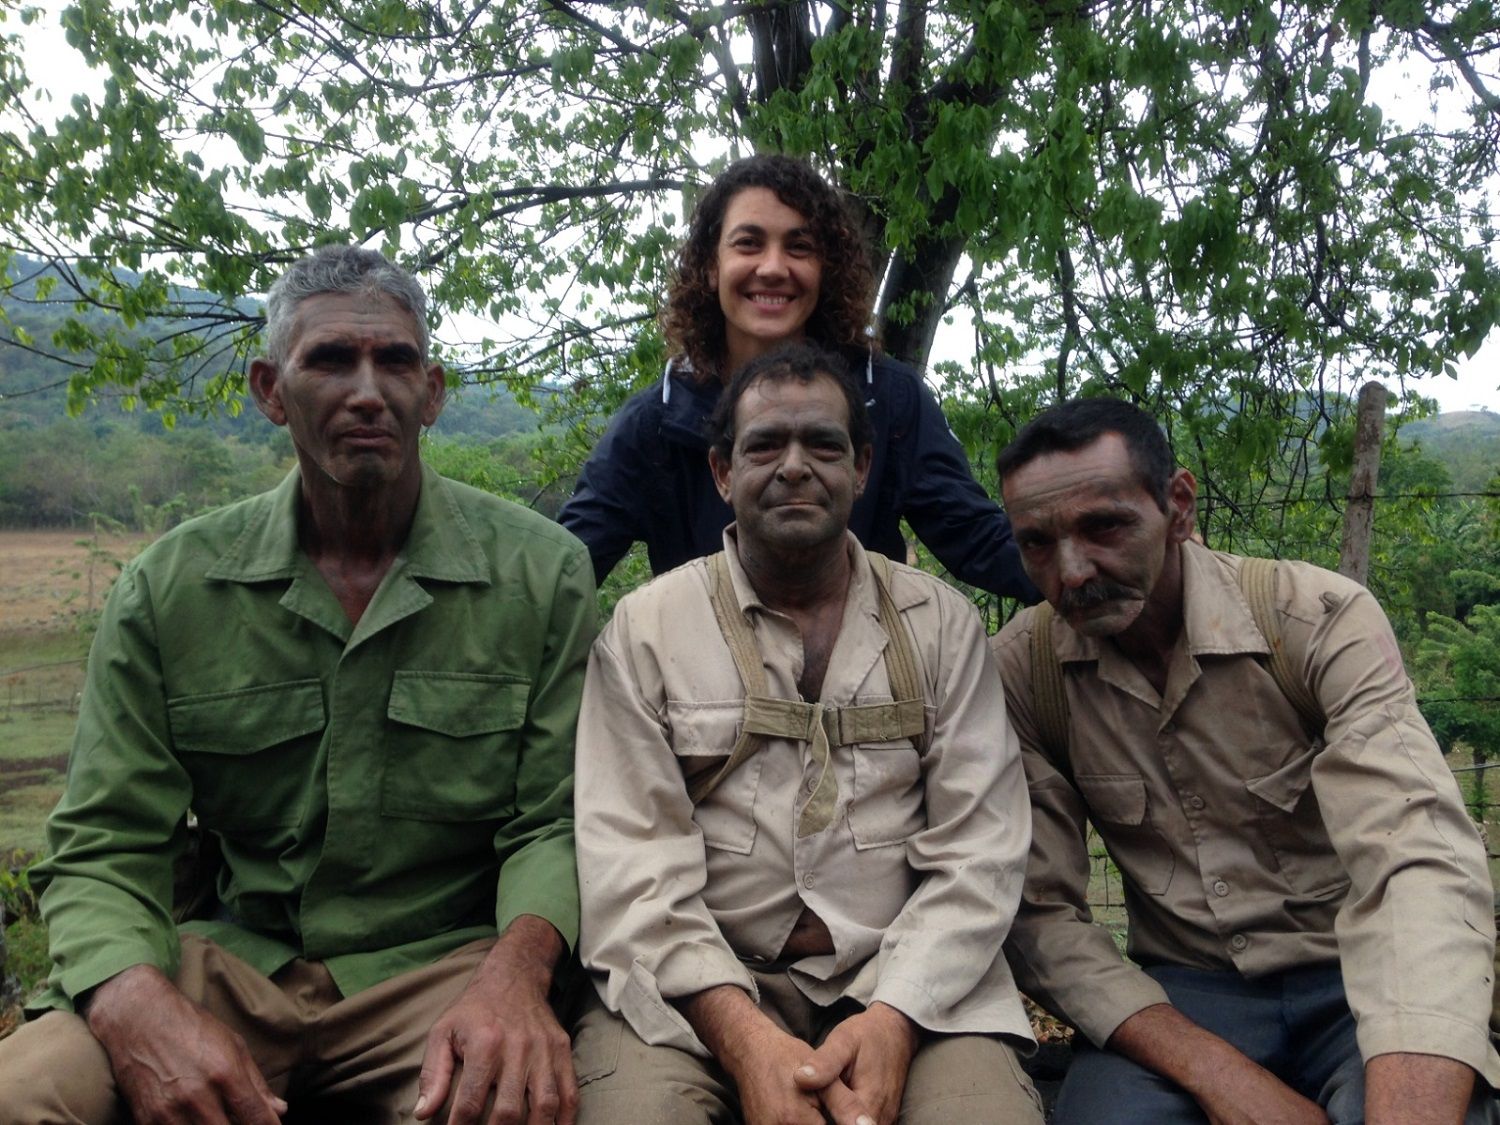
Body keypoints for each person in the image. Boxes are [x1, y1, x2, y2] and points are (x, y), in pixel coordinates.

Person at [0, 246, 596, 1125]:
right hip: (230, 964)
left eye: (394, 361)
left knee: (523, 1102)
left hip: (443, 968)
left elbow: (553, 821)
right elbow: (103, 841)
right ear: (270, 390)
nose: (367, 390)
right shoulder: (172, 588)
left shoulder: (542, 575)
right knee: (23, 1094)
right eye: (329, 360)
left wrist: (517, 979)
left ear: (431, 392)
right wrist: (134, 1002)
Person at [990, 396, 1500, 1124]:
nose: (1071, 572)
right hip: (1183, 992)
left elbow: (1417, 858)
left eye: (1104, 526)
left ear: (1179, 506)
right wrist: (1216, 1071)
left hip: (1357, 975)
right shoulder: (1024, 672)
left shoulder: (1315, 621)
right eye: (1036, 543)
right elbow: (1036, 911)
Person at [571, 343, 1043, 1125]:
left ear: (861, 468)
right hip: (691, 992)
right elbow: (632, 866)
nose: (795, 466)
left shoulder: (940, 626)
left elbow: (979, 851)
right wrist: (745, 1037)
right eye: (764, 445)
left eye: (823, 445)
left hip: (914, 986)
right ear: (722, 472)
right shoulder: (646, 630)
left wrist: (893, 1019)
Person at [557, 152, 1038, 603]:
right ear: (709, 266)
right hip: (704, 680)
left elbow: (979, 542)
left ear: (825, 269)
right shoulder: (659, 420)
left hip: (864, 674)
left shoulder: (886, 398)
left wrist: (1094, 567)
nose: (772, 267)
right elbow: (564, 568)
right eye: (748, 243)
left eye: (799, 246)